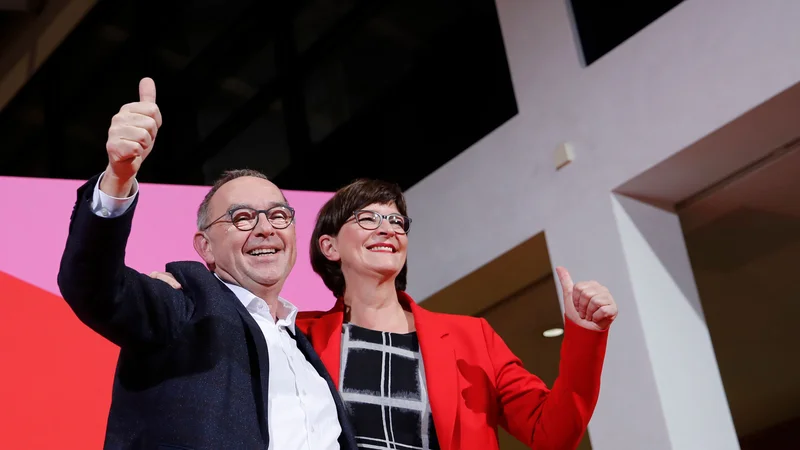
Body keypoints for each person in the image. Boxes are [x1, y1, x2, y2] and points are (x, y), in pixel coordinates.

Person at [57, 77, 357, 449]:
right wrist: (118, 177)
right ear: (206, 247)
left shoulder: (305, 344)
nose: (265, 228)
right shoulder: (184, 306)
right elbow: (94, 286)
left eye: (278, 215)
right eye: (242, 218)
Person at [297, 179, 617, 450]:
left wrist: (585, 335)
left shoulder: (472, 337)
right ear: (330, 247)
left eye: (396, 222)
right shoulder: (298, 337)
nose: (388, 230)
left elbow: (552, 434)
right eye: (368, 219)